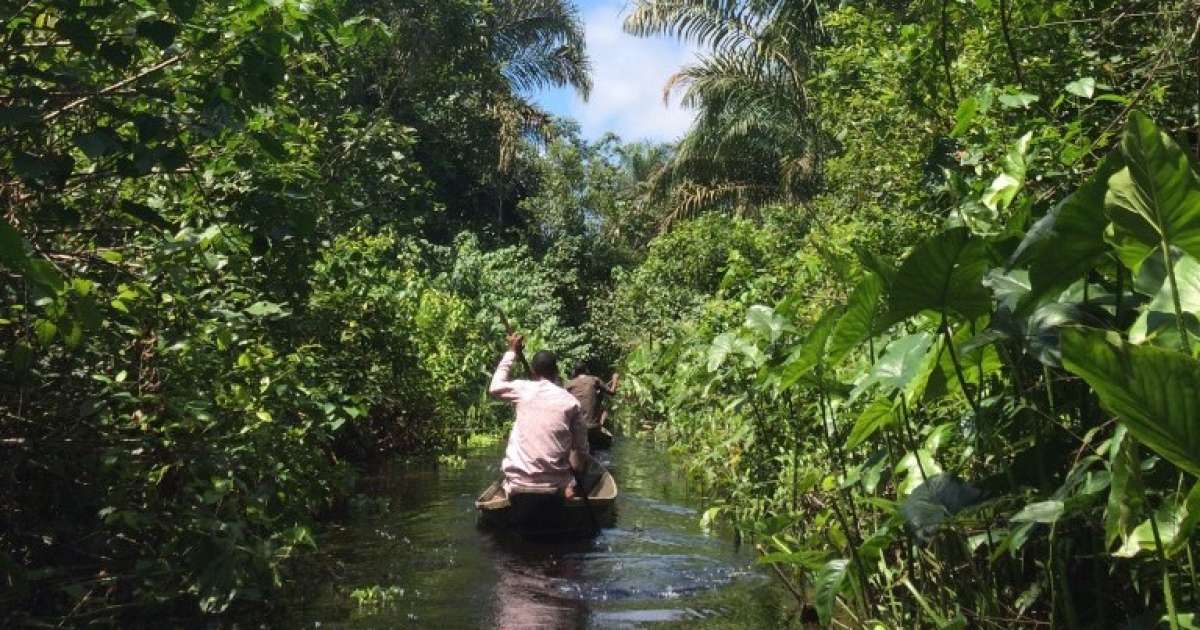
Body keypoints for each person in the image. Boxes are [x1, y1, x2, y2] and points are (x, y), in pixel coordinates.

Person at [488, 333, 589, 499]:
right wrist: (575, 479)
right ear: (556, 372)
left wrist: (511, 351)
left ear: (533, 371)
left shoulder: (523, 389)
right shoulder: (571, 402)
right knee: (574, 475)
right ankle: (567, 489)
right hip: (555, 484)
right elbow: (581, 449)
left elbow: (495, 387)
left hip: (518, 482)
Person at [564, 363, 618, 434]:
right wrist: (615, 380)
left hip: (576, 427)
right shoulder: (594, 380)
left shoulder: (568, 385)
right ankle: (601, 425)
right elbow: (612, 393)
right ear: (586, 370)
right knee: (605, 410)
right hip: (592, 427)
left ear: (574, 372)